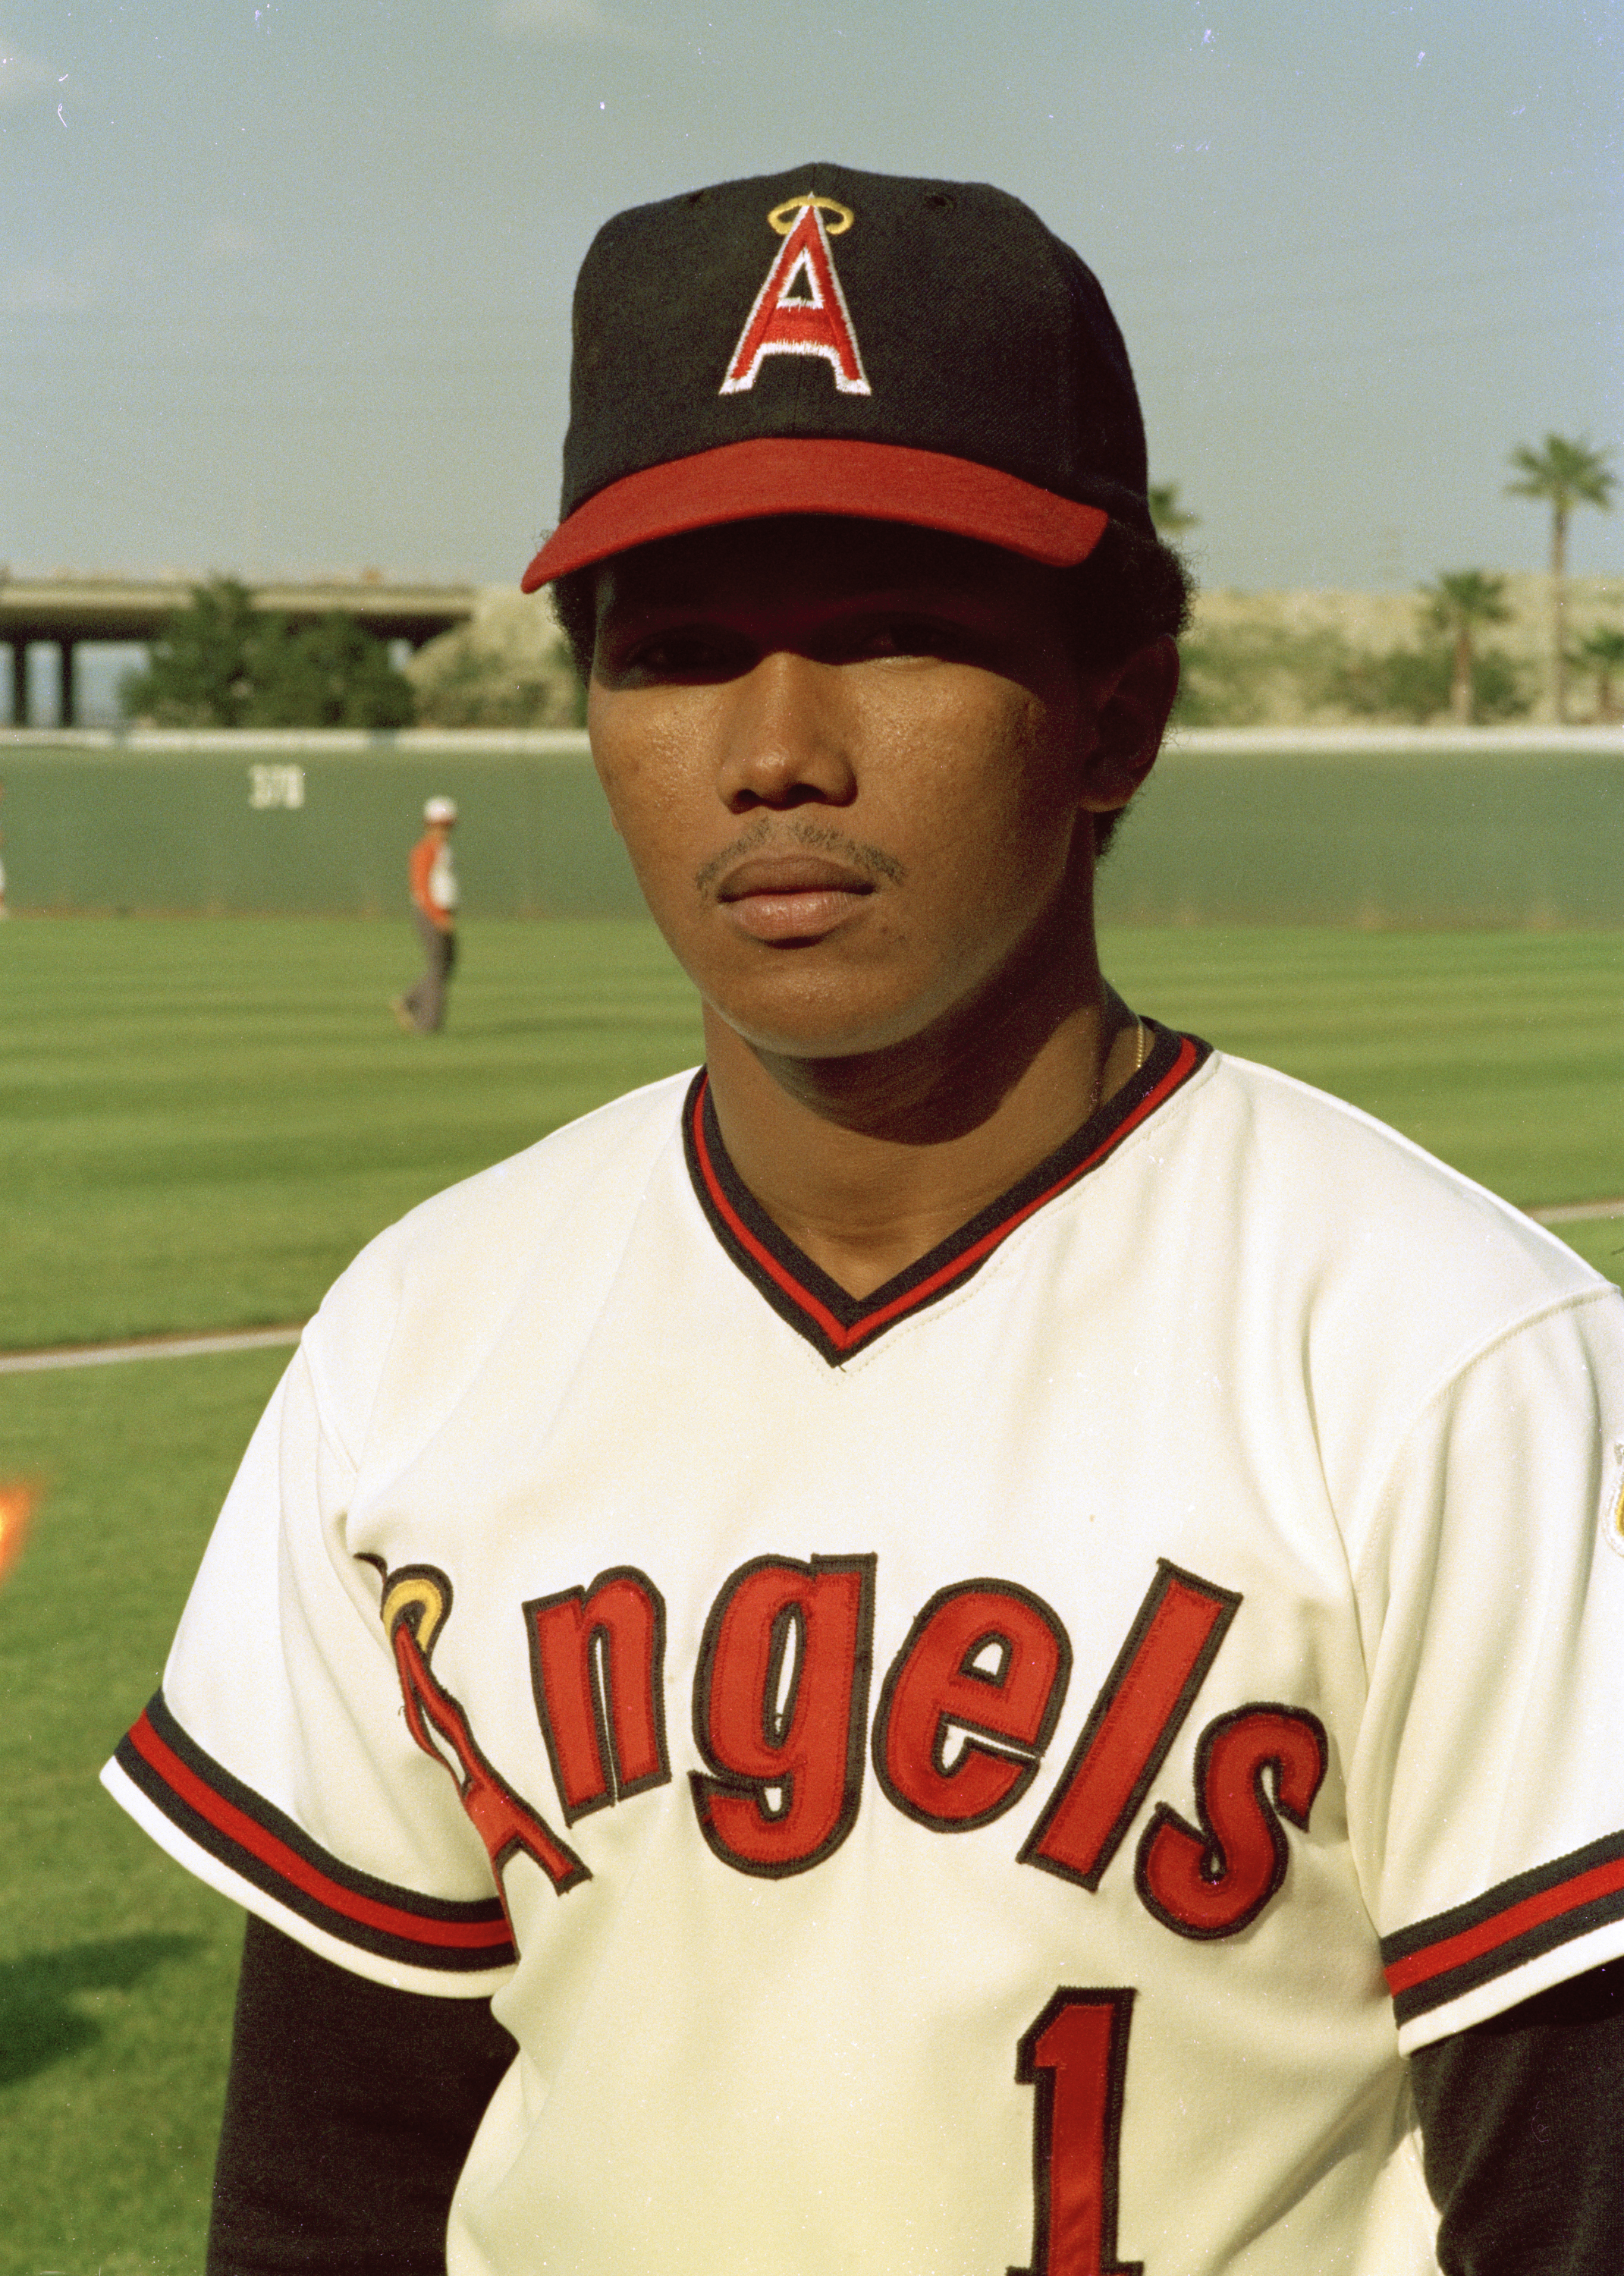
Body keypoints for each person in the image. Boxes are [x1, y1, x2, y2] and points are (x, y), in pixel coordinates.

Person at [105, 165, 1624, 2276]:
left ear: (1115, 715)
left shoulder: (1442, 1357)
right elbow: (332, 2171)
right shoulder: (420, 1334)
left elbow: (1571, 2199)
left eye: (894, 632)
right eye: (678, 652)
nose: (774, 752)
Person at [393, 793, 459, 1033]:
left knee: (446, 964)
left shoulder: (442, 849)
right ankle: (427, 1024)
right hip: (430, 913)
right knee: (438, 965)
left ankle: (410, 1001)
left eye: (446, 825)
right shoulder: (425, 850)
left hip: (443, 912)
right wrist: (438, 916)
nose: (442, 830)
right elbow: (421, 887)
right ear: (428, 825)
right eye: (438, 825)